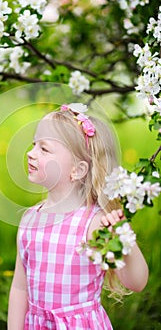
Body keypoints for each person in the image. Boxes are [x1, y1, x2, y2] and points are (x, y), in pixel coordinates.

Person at [8, 103, 148, 329]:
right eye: (34, 144)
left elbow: (136, 281)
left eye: (44, 149)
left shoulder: (93, 224)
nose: (31, 153)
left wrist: (125, 239)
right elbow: (19, 287)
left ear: (78, 170)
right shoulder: (30, 220)